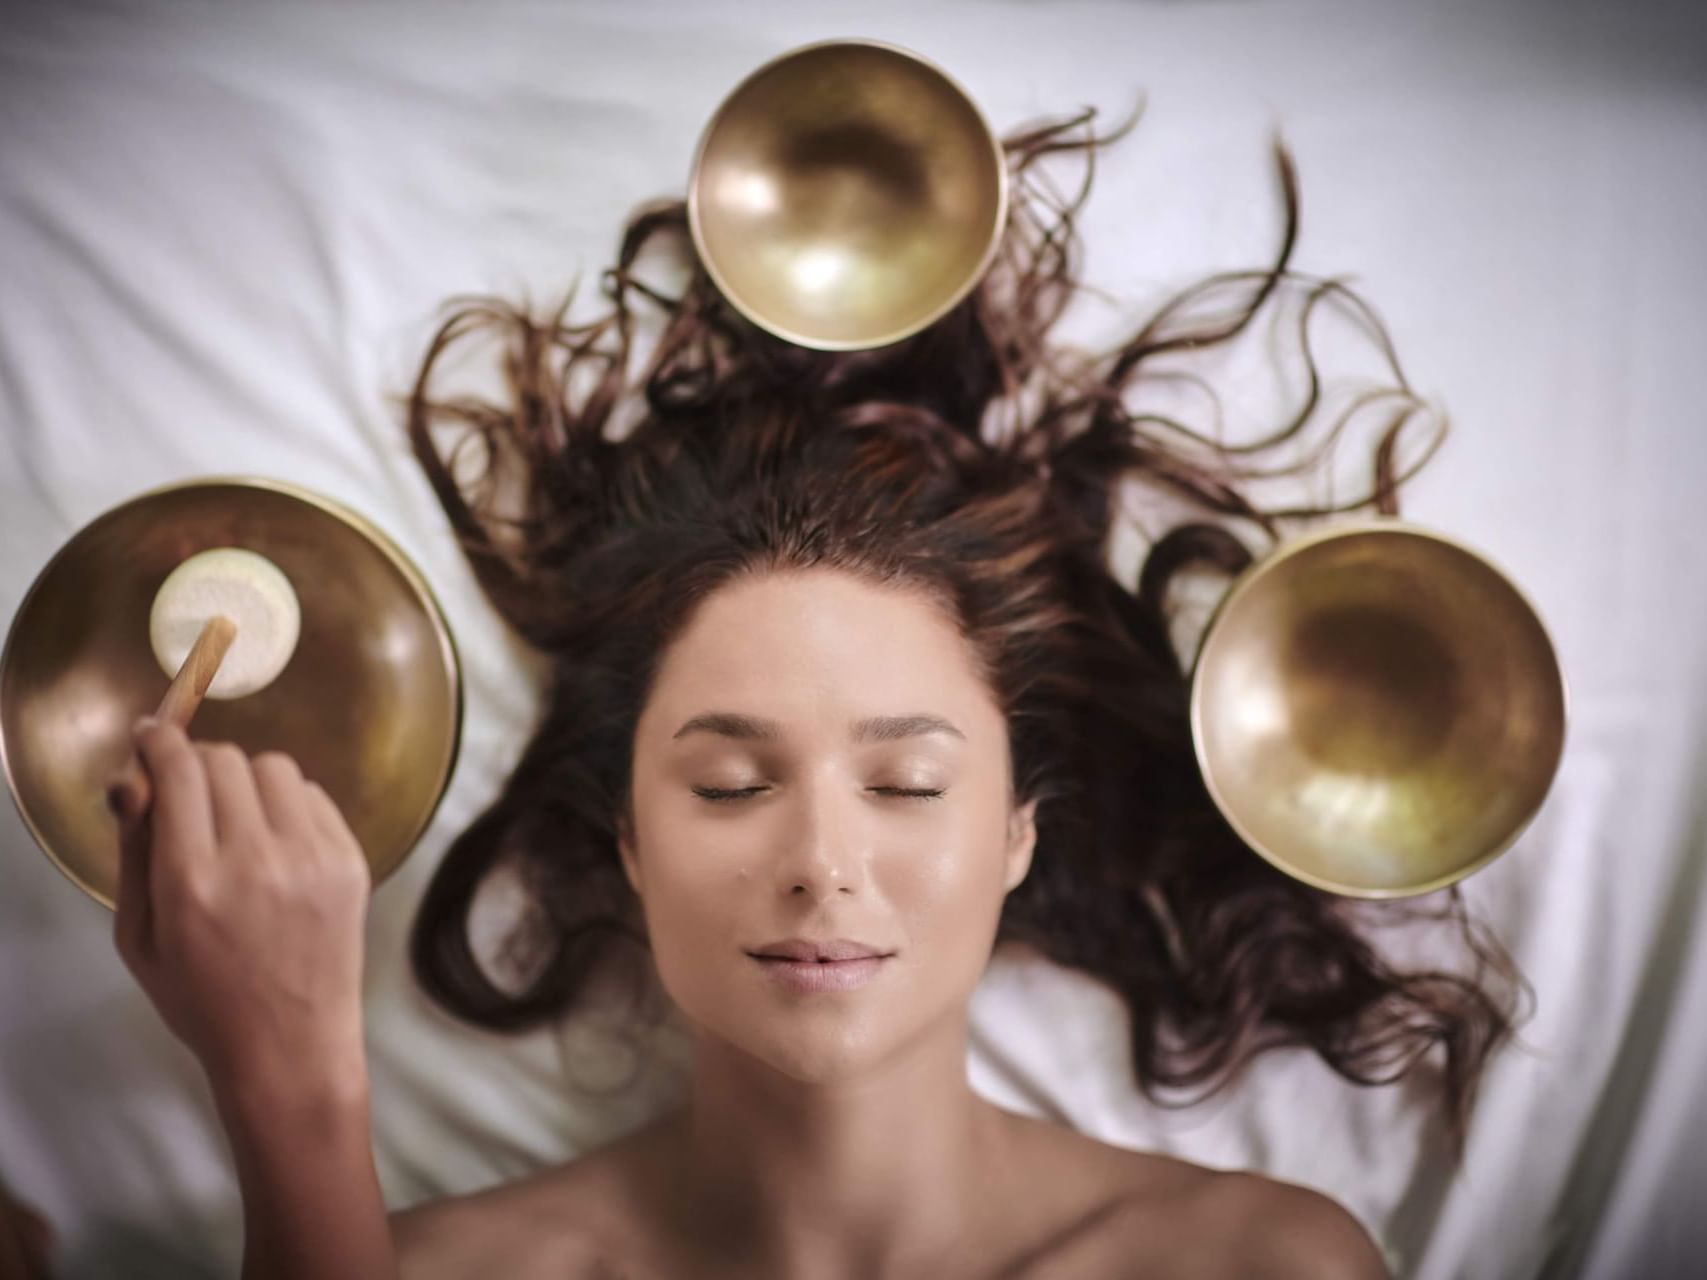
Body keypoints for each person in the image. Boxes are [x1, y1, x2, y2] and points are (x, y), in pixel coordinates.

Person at [110, 108, 1526, 1279]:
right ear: (629, 842)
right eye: (729, 783)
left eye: (908, 782)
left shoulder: (1258, 1265)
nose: (820, 866)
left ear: (1018, 834)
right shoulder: (388, 1260)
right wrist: (290, 1087)